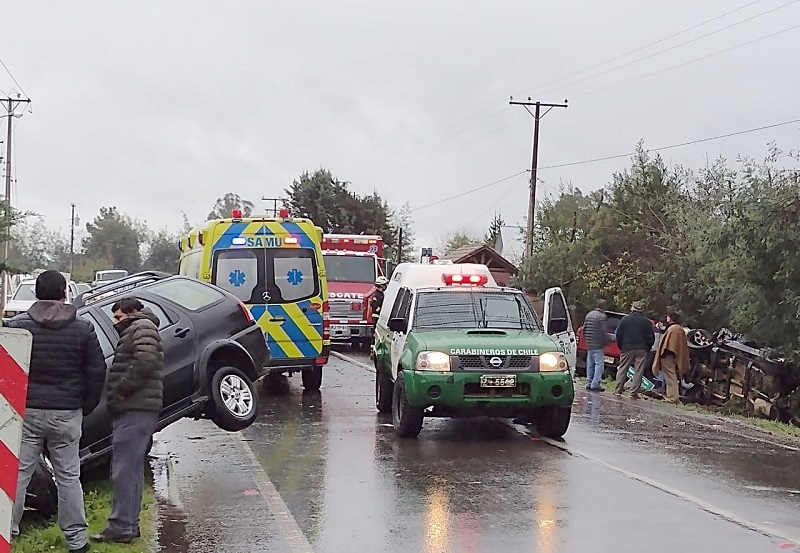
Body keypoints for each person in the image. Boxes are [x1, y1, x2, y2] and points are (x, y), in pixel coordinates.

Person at [8, 270, 105, 553]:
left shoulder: (18, 326)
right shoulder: (83, 328)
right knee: (68, 477)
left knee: (17, 475)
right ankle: (76, 541)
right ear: (65, 293)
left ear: (36, 294)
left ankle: (6, 532)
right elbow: (97, 371)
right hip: (67, 412)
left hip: (27, 412)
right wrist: (85, 405)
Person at [92, 298, 163, 544]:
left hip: (135, 407)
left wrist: (123, 389)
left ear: (133, 313)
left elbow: (145, 360)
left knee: (124, 470)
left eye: (119, 317)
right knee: (130, 469)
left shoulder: (142, 327)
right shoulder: (140, 328)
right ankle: (127, 525)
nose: (116, 322)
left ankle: (121, 527)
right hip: (137, 407)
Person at [613, 300, 655, 398]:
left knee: (623, 369)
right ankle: (633, 392)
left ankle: (618, 390)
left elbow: (619, 334)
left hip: (627, 347)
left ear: (632, 308)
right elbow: (651, 337)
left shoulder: (625, 320)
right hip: (641, 349)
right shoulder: (647, 322)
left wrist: (621, 346)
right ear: (642, 310)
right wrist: (647, 348)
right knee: (639, 371)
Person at [652, 311, 691, 403]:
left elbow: (671, 345)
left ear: (671, 318)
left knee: (671, 377)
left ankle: (673, 398)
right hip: (670, 356)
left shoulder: (674, 329)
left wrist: (664, 353)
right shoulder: (677, 328)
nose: (667, 318)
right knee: (669, 377)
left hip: (669, 356)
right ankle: (671, 396)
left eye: (668, 317)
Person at [582, 299, 610, 391]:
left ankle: (588, 382)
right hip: (598, 344)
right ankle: (595, 383)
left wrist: (587, 340)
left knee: (590, 364)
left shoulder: (589, 315)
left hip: (589, 343)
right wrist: (607, 341)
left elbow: (584, 329)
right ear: (603, 306)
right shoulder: (602, 317)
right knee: (599, 365)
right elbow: (603, 332)